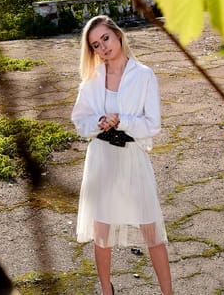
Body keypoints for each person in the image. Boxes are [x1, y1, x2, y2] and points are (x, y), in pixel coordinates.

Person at [71, 15, 172, 295]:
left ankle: (168, 292)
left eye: (105, 38)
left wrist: (122, 120)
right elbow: (80, 121)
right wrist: (99, 122)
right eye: (95, 45)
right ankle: (107, 290)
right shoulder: (91, 79)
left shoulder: (144, 75)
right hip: (102, 159)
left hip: (131, 158)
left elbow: (153, 124)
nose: (103, 47)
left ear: (117, 35)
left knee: (151, 230)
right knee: (101, 232)